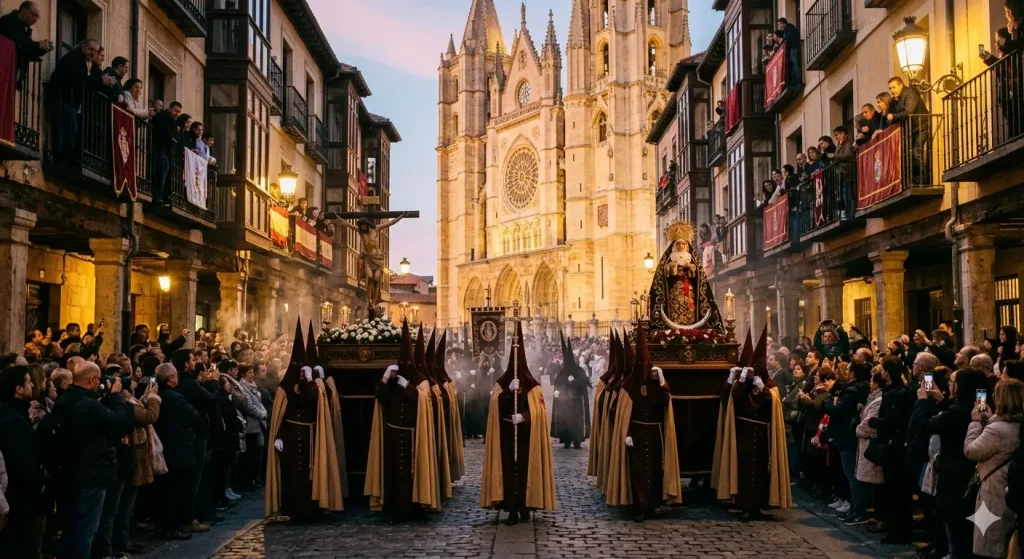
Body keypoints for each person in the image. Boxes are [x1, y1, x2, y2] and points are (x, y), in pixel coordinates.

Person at [52, 361, 134, 559]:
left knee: (74, 527)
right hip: (91, 473)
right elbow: (122, 422)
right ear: (92, 380)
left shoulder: (67, 399)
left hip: (73, 471)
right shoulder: (87, 405)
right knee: (85, 528)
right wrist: (115, 396)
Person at [264, 320, 341, 521]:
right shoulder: (286, 386)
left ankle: (311, 508)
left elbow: (314, 400)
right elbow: (280, 413)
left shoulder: (313, 386)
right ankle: (291, 509)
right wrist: (278, 436)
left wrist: (309, 381)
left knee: (309, 473)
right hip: (290, 435)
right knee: (291, 474)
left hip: (310, 436)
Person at [480, 322, 556, 525]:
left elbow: (539, 411)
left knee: (524, 472)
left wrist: (524, 416)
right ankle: (511, 509)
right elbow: (494, 405)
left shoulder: (533, 386)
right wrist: (507, 393)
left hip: (525, 438)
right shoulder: (502, 384)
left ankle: (525, 507)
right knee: (508, 472)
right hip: (506, 436)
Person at [605, 326, 681, 521]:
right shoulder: (628, 386)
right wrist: (627, 432)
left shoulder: (656, 383)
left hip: (655, 433)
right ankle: (640, 505)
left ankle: (652, 504)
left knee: (655, 470)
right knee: (638, 472)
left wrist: (662, 384)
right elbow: (618, 413)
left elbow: (664, 403)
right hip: (636, 433)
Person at [715, 326, 792, 519]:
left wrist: (762, 388)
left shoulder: (769, 386)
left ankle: (757, 506)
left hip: (762, 434)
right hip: (743, 433)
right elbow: (729, 399)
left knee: (760, 472)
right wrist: (738, 380)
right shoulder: (741, 386)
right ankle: (744, 504)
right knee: (743, 469)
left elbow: (772, 403)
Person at [364, 320, 438, 520]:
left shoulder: (419, 380)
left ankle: (413, 505)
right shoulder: (391, 380)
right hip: (392, 433)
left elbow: (421, 400)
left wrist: (407, 386)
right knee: (393, 472)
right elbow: (379, 395)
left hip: (413, 435)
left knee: (411, 473)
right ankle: (393, 507)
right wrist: (386, 378)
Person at [964, 378, 1024, 558]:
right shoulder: (1016, 425)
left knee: (989, 541)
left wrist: (975, 423)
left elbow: (971, 450)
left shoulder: (997, 430)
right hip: (1007, 485)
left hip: (993, 490)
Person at [868, 358, 915, 544]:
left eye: (883, 369)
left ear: (888, 372)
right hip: (894, 444)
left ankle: (900, 531)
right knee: (894, 490)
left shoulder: (898, 393)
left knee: (896, 491)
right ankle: (896, 527)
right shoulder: (897, 391)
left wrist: (873, 422)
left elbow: (892, 420)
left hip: (895, 445)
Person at [152, 362, 199, 540]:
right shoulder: (174, 397)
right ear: (170, 378)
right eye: (176, 375)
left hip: (166, 447)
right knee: (174, 491)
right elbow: (192, 415)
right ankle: (171, 527)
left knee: (165, 491)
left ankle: (164, 526)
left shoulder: (159, 395)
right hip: (176, 448)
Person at [0, 365, 43, 557]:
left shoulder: (14, 415)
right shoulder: (13, 421)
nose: (32, 384)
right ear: (18, 388)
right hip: (18, 497)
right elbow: (21, 462)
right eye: (28, 381)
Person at [550, 334, 591, 450]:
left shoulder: (579, 370)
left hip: (577, 401)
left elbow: (584, 382)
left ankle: (577, 440)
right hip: (565, 402)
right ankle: (567, 440)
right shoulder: (562, 371)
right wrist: (561, 387)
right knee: (566, 421)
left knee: (577, 422)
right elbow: (557, 381)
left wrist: (575, 382)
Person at [887, 77, 931, 184]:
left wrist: (893, 117)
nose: (892, 90)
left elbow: (908, 112)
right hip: (913, 129)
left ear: (901, 85)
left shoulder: (910, 93)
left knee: (916, 152)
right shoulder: (897, 99)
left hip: (922, 126)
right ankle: (913, 180)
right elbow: (891, 115)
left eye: (894, 87)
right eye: (890, 88)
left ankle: (922, 180)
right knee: (908, 154)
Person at [0, 1, 53, 88]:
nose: (35, 19)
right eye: (33, 14)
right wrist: (38, 45)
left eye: (37, 17)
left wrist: (43, 49)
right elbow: (18, 43)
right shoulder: (10, 20)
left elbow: (26, 50)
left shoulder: (26, 28)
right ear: (24, 11)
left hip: (9, 73)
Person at [151, 101, 183, 204]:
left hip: (166, 150)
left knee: (166, 170)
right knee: (163, 169)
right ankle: (159, 194)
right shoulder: (163, 117)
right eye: (175, 111)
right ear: (170, 109)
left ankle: (164, 195)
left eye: (179, 112)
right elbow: (165, 133)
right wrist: (171, 138)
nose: (177, 113)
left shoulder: (173, 121)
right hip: (159, 148)